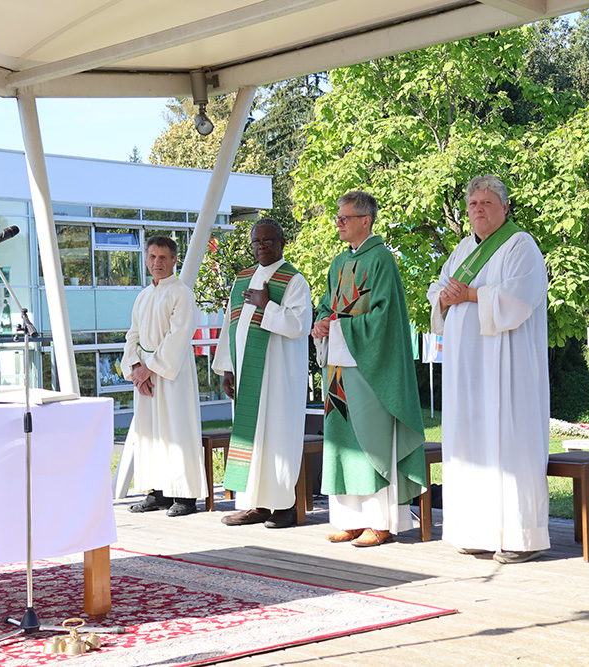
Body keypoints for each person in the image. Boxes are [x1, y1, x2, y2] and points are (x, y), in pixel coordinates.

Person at [426, 175, 550, 565]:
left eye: (487, 203)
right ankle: (475, 531)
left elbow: (517, 300)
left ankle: (519, 536)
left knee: (509, 442)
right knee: (468, 442)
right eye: (473, 204)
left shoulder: (520, 245)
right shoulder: (463, 249)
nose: (478, 209)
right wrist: (444, 298)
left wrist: (469, 295)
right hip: (466, 369)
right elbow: (440, 289)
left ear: (505, 208)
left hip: (508, 366)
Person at [310, 190, 426, 548]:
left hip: (370, 368)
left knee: (371, 441)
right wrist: (320, 325)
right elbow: (327, 305)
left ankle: (381, 521)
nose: (339, 224)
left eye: (344, 218)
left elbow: (384, 319)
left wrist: (339, 327)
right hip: (338, 369)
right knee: (342, 444)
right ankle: (350, 520)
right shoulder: (338, 263)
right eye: (338, 218)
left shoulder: (382, 261)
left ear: (366, 220)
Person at [212, 218, 312, 529]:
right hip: (247, 376)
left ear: (283, 242)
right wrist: (227, 368)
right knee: (250, 439)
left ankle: (283, 506)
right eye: (257, 242)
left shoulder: (294, 280)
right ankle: (254, 504)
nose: (263, 246)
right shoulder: (242, 279)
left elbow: (299, 326)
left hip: (279, 377)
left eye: (269, 240)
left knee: (279, 437)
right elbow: (231, 326)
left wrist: (266, 304)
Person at [121, 235, 206, 517]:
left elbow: (178, 337)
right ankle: (156, 492)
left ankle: (184, 495)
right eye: (152, 257)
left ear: (174, 261)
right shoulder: (143, 295)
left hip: (173, 375)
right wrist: (135, 369)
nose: (157, 263)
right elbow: (132, 334)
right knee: (150, 432)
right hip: (145, 376)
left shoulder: (181, 293)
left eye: (163, 258)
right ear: (146, 259)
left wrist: (150, 368)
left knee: (176, 429)